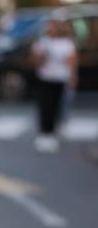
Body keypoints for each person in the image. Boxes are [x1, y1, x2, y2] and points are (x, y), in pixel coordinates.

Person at [31, 15, 78, 152]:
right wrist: (42, 55)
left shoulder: (67, 44)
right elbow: (35, 63)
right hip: (46, 80)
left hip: (60, 80)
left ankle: (53, 133)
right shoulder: (42, 43)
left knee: (58, 107)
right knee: (45, 107)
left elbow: (72, 64)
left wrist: (73, 79)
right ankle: (44, 134)